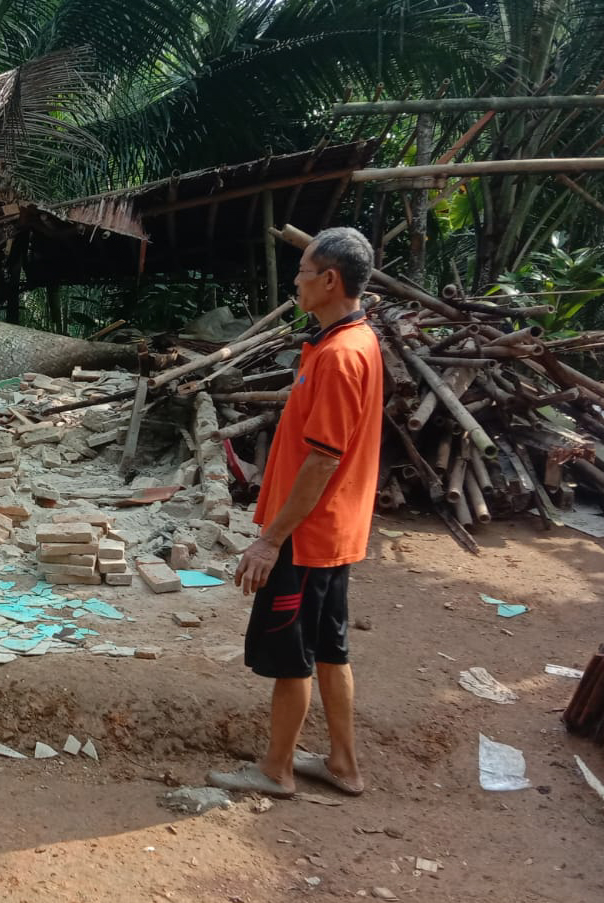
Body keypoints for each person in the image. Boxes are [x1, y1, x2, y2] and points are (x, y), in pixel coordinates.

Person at [206, 226, 382, 800]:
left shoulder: (338, 357)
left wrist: (270, 540)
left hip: (306, 536)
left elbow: (322, 459)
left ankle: (276, 769)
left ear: (330, 281)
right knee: (330, 649)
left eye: (304, 273)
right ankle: (343, 764)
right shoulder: (352, 344)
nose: (297, 282)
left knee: (293, 656)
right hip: (334, 532)